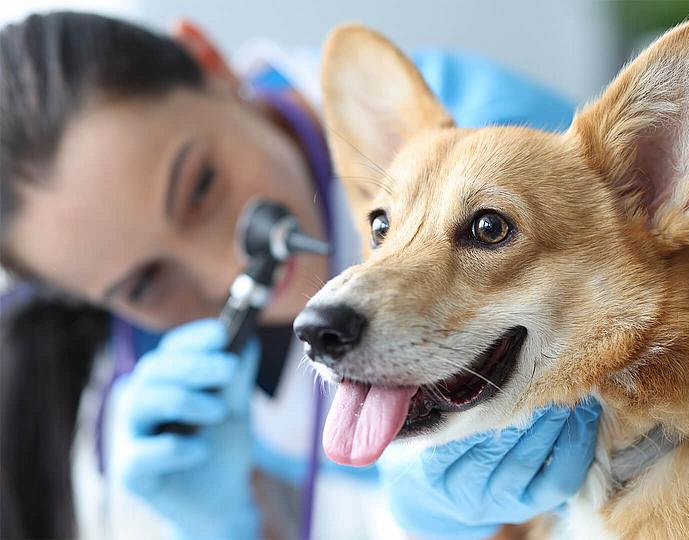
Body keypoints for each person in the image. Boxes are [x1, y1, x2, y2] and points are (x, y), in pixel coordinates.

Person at [0, 11, 601, 540]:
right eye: (144, 283)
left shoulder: (508, 156)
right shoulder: (153, 367)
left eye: (201, 187)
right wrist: (221, 528)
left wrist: (440, 509)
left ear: (211, 63)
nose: (227, 268)